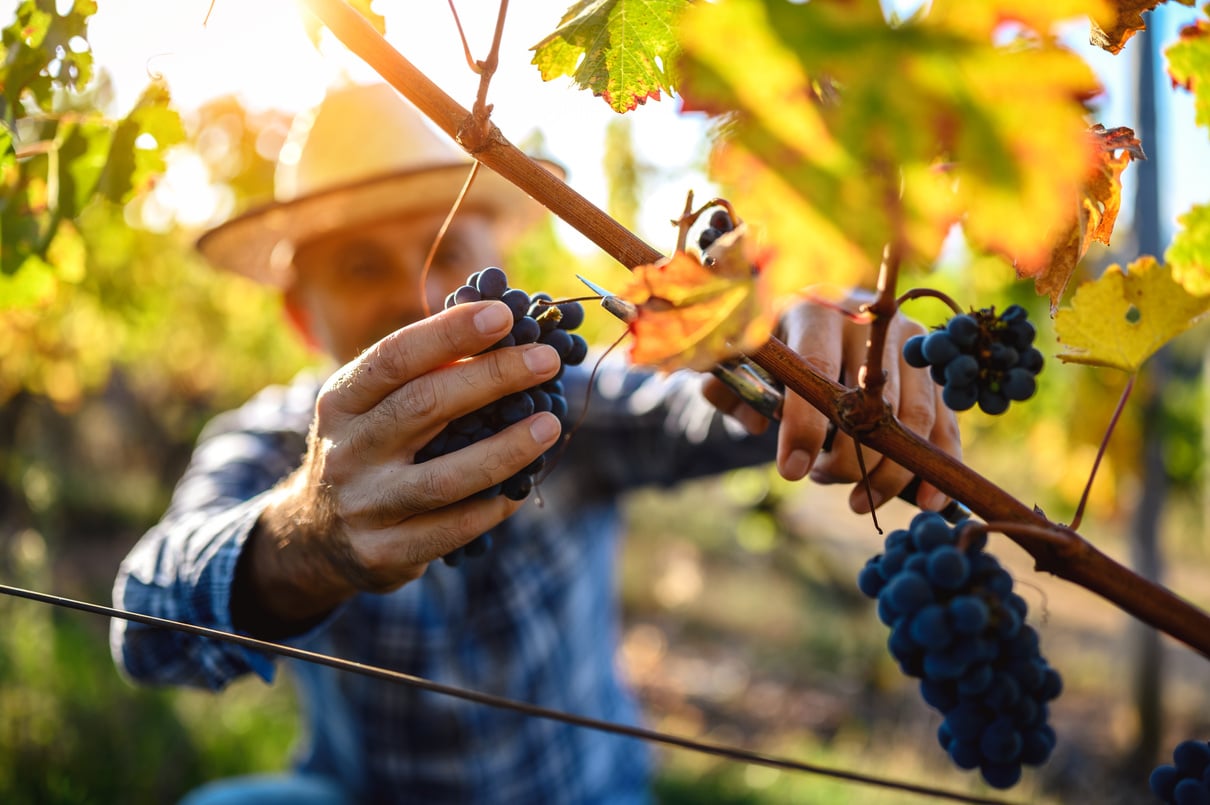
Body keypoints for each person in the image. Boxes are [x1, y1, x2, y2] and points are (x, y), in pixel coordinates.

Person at [110, 81, 961, 804]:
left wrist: (808, 354)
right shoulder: (272, 443)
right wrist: (307, 537)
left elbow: (692, 406)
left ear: (499, 255)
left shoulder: (572, 406)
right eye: (362, 266)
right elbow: (144, 627)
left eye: (450, 251)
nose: (424, 295)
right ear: (303, 316)